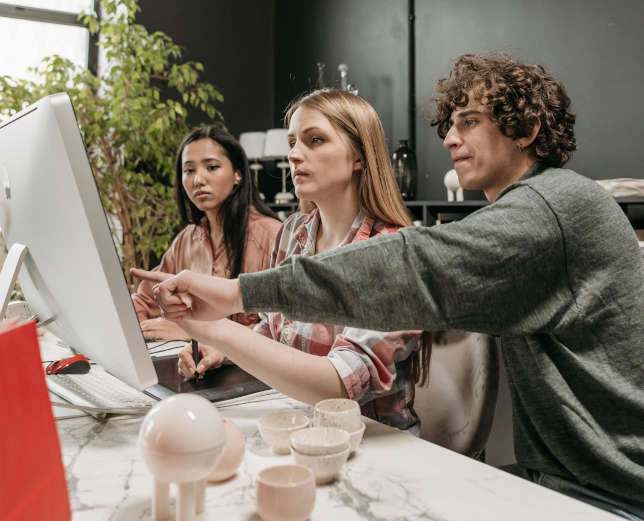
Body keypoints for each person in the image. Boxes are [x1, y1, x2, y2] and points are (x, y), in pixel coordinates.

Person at [134, 54, 644, 518]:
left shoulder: (551, 209)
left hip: (606, 492)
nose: (448, 139)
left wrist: (234, 298)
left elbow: (410, 267)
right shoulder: (532, 210)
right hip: (559, 478)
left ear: (528, 128)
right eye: (449, 125)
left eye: (469, 122)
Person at [136, 89, 432, 434]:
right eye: (292, 142)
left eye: (315, 140)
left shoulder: (394, 252)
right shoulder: (293, 232)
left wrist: (215, 329)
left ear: (360, 157)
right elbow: (273, 330)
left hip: (371, 441)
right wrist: (221, 351)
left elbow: (340, 387)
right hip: (296, 423)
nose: (294, 155)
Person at [131, 126, 281, 340]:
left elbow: (282, 330)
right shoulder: (186, 240)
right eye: (189, 170)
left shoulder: (271, 237)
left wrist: (194, 332)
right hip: (186, 364)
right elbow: (144, 302)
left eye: (211, 167)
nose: (198, 180)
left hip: (248, 371)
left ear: (238, 174)